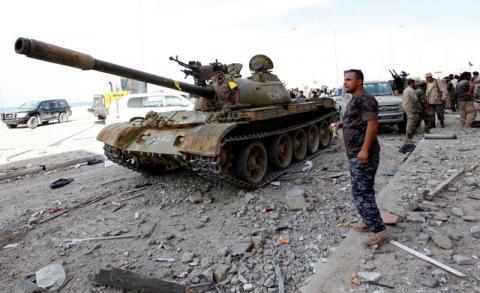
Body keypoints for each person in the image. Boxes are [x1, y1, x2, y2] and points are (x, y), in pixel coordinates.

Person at [334, 69, 390, 246]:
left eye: (349, 79)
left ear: (359, 82)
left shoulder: (365, 99)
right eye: (344, 79)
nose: (345, 82)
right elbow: (359, 121)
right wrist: (341, 124)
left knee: (361, 192)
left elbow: (372, 125)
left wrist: (364, 150)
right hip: (356, 152)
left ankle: (378, 231)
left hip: (362, 154)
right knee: (365, 190)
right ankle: (369, 220)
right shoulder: (356, 99)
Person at [402, 79, 422, 143]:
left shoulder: (405, 90)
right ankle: (408, 138)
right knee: (410, 123)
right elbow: (415, 100)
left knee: (409, 122)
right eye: (414, 83)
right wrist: (419, 108)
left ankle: (408, 137)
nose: (415, 84)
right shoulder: (411, 90)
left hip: (406, 107)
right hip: (410, 108)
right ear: (412, 83)